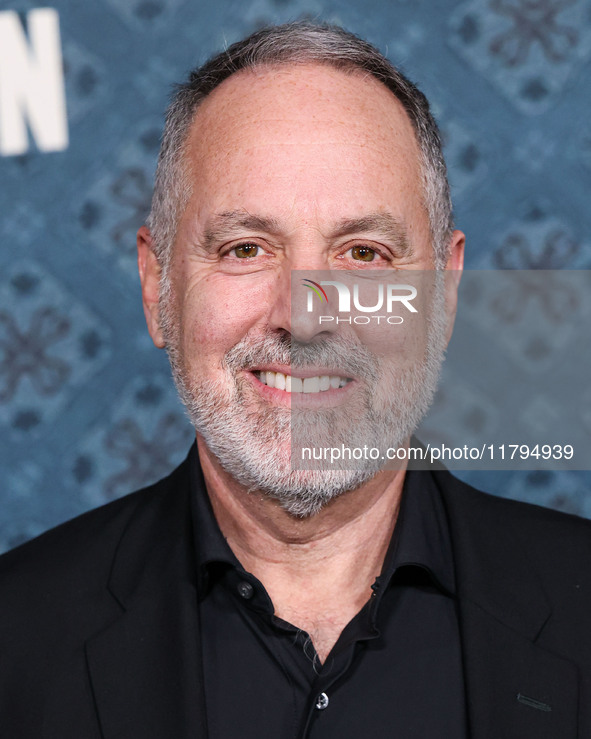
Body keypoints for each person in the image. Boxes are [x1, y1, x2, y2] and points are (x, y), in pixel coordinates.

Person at [1, 21, 590, 739]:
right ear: (158, 286)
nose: (303, 317)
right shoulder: (16, 640)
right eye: (245, 247)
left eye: (363, 253)